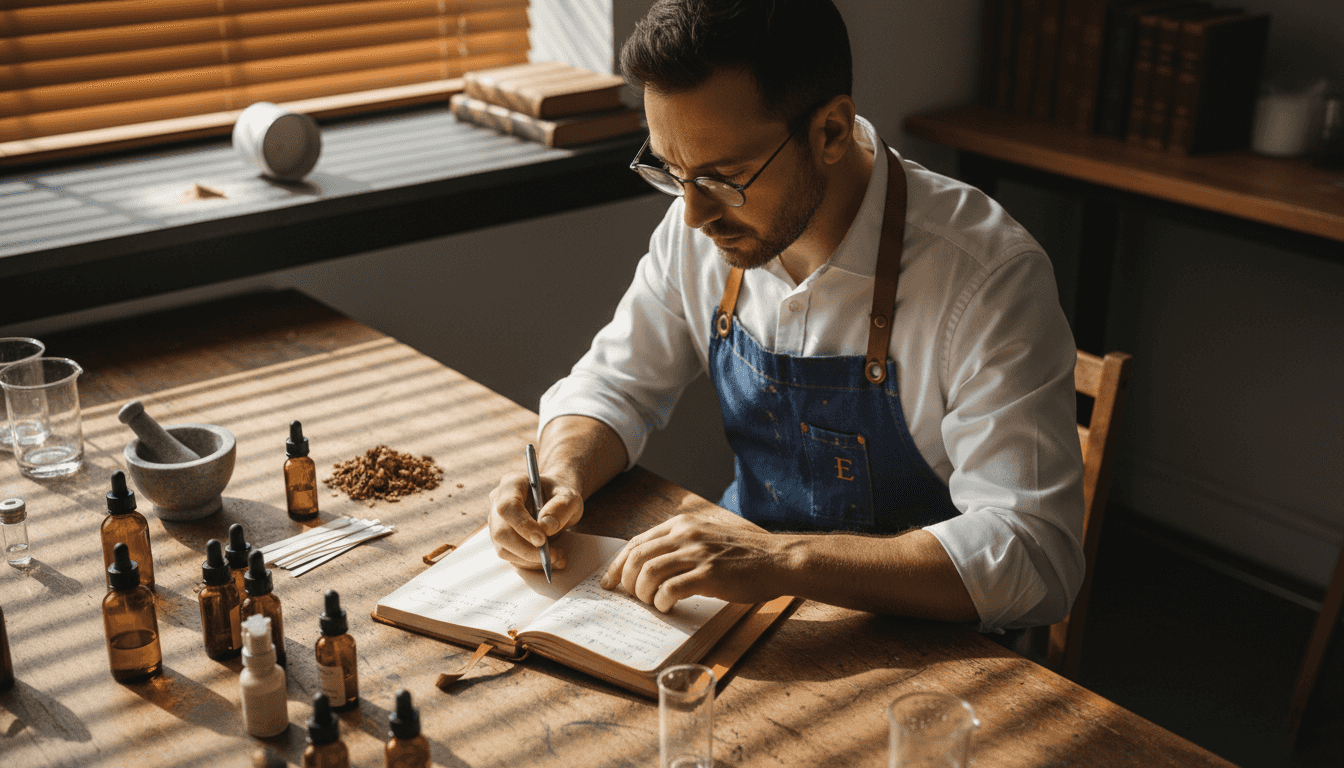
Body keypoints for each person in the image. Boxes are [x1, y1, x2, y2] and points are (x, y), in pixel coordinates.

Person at [488, 0, 1085, 632]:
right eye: (670, 170)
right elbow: (613, 384)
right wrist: (559, 474)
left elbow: (1035, 557)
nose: (692, 215)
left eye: (725, 178)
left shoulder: (988, 277)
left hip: (925, 646)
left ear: (830, 132)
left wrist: (784, 559)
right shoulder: (702, 225)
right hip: (740, 606)